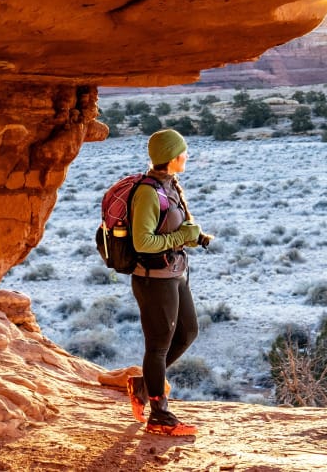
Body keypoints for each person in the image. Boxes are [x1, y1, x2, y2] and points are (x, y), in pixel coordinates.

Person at [125, 129, 212, 437]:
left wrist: (192, 237)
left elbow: (171, 227)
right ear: (172, 156)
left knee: (188, 332)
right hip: (153, 280)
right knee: (158, 345)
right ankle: (159, 416)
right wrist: (181, 237)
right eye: (183, 152)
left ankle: (143, 386)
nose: (186, 156)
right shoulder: (149, 192)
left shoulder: (170, 185)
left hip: (173, 273)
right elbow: (142, 242)